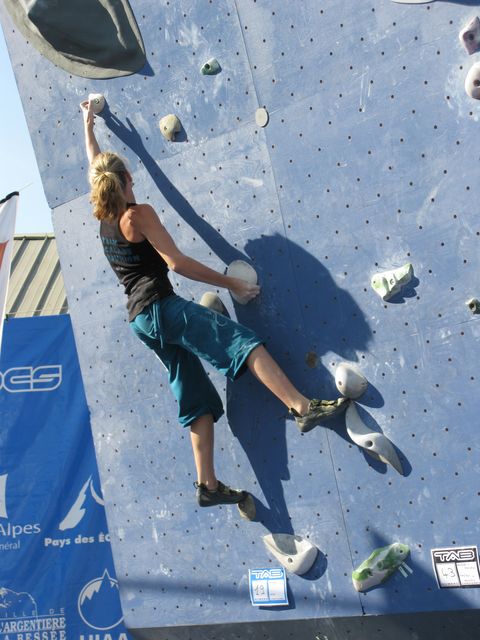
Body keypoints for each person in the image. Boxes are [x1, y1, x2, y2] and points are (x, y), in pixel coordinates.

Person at [80, 99, 348, 509]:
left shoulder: (104, 215)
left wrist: (89, 126)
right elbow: (177, 262)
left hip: (141, 322)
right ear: (128, 178)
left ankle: (207, 484)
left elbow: (95, 164)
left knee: (196, 397)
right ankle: (302, 406)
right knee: (242, 343)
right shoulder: (137, 215)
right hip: (160, 308)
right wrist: (230, 282)